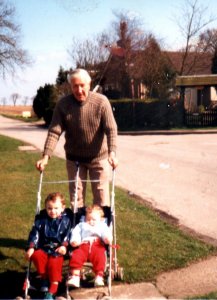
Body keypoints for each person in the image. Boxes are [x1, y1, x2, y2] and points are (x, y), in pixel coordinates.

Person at [35, 68, 118, 215]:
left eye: (82, 85)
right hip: (75, 161)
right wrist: (45, 157)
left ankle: (102, 235)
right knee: (76, 201)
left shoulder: (101, 102)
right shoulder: (63, 105)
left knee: (101, 200)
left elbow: (111, 129)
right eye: (75, 86)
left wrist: (112, 153)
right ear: (70, 86)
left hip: (99, 159)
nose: (79, 90)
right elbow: (54, 132)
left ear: (89, 84)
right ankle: (77, 233)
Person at [25, 192, 73, 299]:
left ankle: (53, 288)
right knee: (37, 256)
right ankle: (44, 277)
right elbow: (35, 233)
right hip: (43, 246)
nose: (53, 211)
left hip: (58, 249)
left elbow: (68, 234)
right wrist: (31, 247)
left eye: (56, 208)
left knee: (54, 262)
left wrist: (65, 246)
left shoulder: (66, 220)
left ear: (62, 208)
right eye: (49, 208)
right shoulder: (41, 219)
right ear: (45, 208)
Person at [67, 204, 112, 288]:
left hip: (97, 244)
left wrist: (107, 238)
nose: (91, 221)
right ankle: (75, 276)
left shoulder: (102, 225)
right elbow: (76, 232)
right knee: (76, 255)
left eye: (94, 219)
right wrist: (75, 240)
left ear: (101, 219)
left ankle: (99, 276)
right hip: (83, 244)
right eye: (88, 219)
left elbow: (106, 232)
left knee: (100, 256)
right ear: (85, 218)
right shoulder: (81, 225)